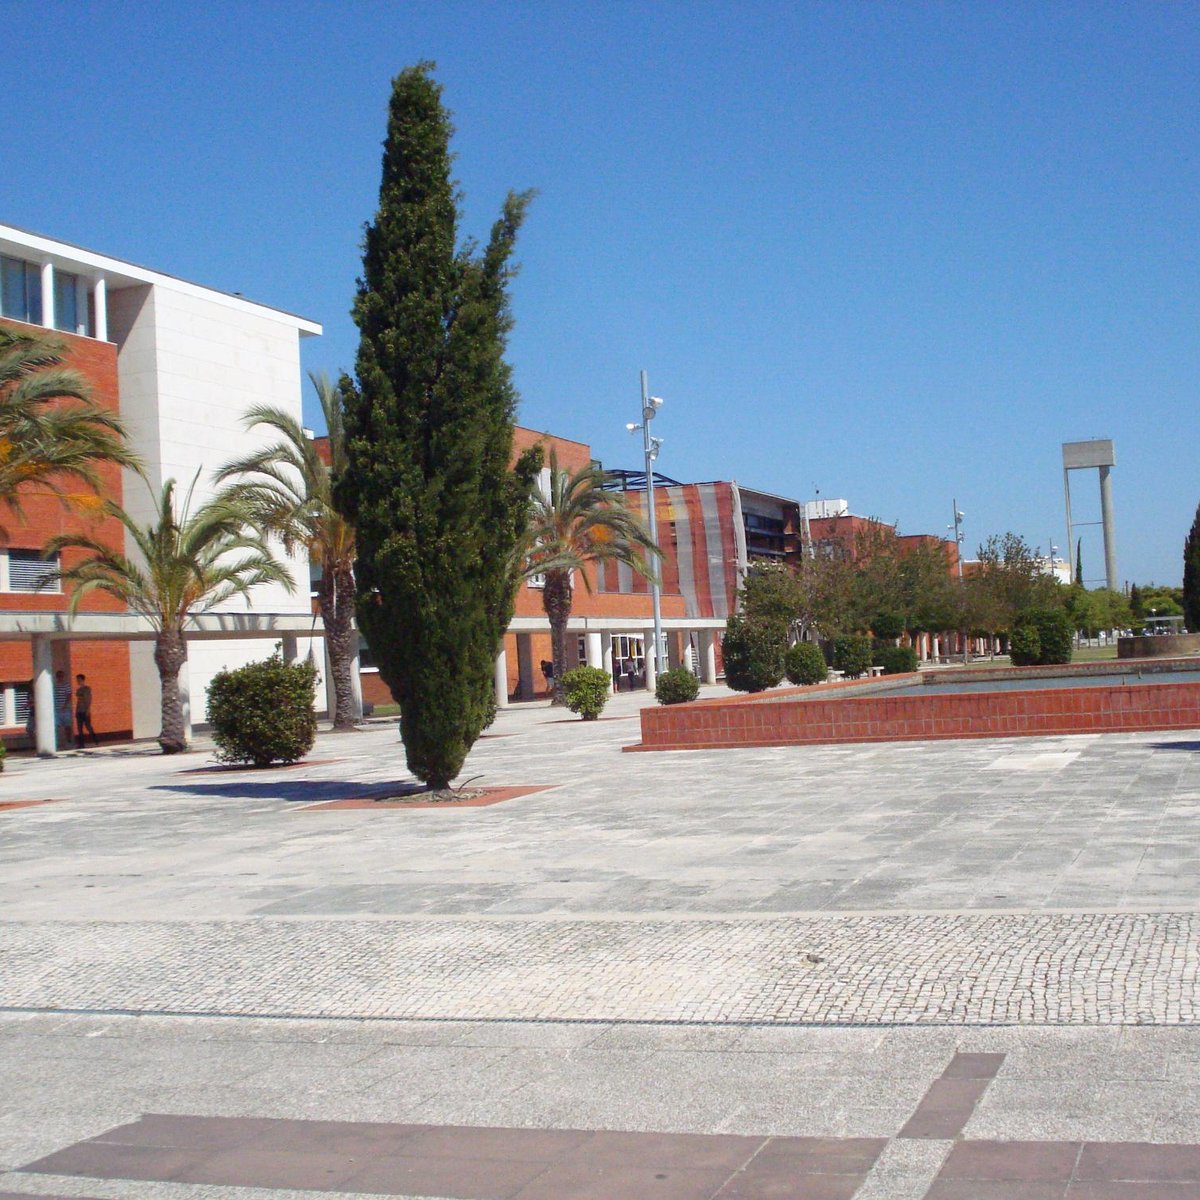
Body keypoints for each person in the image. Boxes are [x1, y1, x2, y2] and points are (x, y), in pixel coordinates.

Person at [75, 673, 99, 749]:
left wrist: (88, 710)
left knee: (88, 726)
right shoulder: (78, 690)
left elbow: (88, 699)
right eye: (77, 680)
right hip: (79, 710)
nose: (78, 681)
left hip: (85, 710)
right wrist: (76, 711)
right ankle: (81, 744)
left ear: (82, 680)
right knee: (79, 728)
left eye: (79, 680)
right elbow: (78, 701)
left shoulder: (87, 689)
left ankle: (95, 739)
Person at [53, 670, 73, 750]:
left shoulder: (66, 685)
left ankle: (69, 742)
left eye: (61, 676)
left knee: (67, 726)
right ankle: (56, 744)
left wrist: (65, 705)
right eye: (58, 676)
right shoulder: (54, 686)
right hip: (56, 710)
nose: (60, 678)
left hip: (65, 709)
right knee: (56, 727)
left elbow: (69, 695)